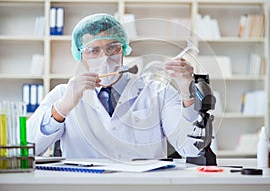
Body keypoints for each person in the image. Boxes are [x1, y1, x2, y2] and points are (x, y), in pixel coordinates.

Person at [27, 13, 199, 160]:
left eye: (112, 48)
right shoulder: (62, 94)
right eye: (93, 50)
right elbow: (28, 148)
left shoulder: (159, 92)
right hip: (84, 184)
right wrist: (61, 109)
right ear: (80, 56)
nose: (105, 57)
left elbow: (192, 149)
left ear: (123, 49)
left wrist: (187, 94)